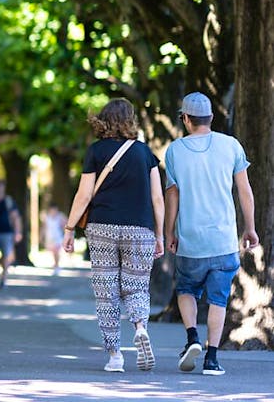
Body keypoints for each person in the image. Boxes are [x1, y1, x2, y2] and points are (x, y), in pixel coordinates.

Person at [63, 98, 165, 373]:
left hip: (102, 227)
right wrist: (160, 234)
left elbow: (84, 195)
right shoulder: (145, 153)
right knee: (137, 287)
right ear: (130, 120)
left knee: (107, 292)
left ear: (104, 120)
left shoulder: (95, 151)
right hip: (140, 229)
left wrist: (70, 228)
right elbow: (157, 198)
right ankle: (141, 328)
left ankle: (115, 356)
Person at [163, 92, 259, 376]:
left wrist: (169, 232)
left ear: (186, 119)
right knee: (218, 299)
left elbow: (172, 197)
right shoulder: (231, 145)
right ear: (211, 118)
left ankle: (193, 337)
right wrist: (250, 228)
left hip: (190, 241)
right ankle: (212, 359)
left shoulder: (174, 150)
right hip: (223, 240)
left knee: (185, 289)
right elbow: (244, 190)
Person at [42, 203, 67, 274]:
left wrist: (65, 233)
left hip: (58, 237)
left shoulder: (60, 217)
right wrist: (41, 236)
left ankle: (57, 265)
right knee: (53, 252)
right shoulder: (47, 218)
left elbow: (65, 225)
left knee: (56, 251)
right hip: (49, 237)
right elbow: (44, 227)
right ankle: (55, 264)